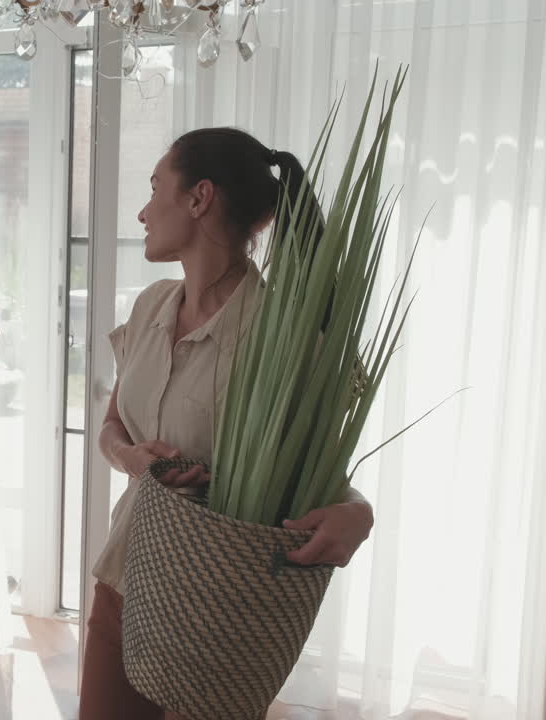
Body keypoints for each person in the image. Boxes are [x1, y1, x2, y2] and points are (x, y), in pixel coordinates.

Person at [78, 128, 376, 719]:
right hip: (124, 580)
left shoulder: (284, 336)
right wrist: (131, 459)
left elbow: (320, 469)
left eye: (155, 187)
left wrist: (357, 514)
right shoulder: (150, 306)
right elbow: (113, 423)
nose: (142, 211)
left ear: (199, 198)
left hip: (218, 611)